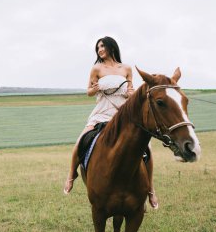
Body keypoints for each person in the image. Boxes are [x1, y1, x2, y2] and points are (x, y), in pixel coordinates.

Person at [63, 36, 159, 209]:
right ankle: (71, 175)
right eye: (98, 48)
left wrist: (134, 94)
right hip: (102, 112)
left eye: (102, 46)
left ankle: (150, 188)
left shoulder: (126, 68)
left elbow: (130, 91)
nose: (99, 50)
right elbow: (89, 92)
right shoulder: (96, 68)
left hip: (123, 113)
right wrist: (97, 87)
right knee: (80, 141)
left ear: (111, 47)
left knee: (148, 148)